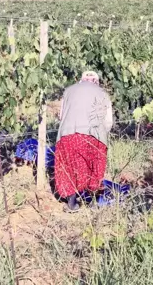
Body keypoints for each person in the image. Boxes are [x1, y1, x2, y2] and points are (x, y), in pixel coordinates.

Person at [54, 71, 113, 212]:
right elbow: (108, 122)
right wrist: (103, 135)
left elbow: (62, 116)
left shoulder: (68, 91)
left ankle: (72, 204)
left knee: (69, 167)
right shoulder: (103, 93)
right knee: (94, 167)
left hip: (68, 135)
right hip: (94, 136)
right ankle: (93, 203)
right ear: (96, 82)